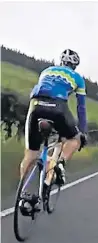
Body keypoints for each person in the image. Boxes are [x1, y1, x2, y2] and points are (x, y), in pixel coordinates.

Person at [20, 49, 88, 207]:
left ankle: (22, 196)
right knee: (73, 139)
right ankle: (60, 163)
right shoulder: (78, 78)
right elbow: (81, 108)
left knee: (30, 155)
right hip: (57, 107)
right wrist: (83, 132)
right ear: (75, 65)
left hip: (35, 106)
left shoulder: (46, 70)